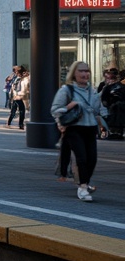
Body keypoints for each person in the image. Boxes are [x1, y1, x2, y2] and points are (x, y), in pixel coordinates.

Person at [53, 61, 109, 201]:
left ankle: (84, 183)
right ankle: (83, 187)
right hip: (74, 128)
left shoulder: (92, 90)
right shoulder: (67, 90)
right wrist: (69, 107)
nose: (85, 74)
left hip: (90, 128)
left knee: (92, 159)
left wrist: (104, 123)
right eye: (81, 71)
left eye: (87, 71)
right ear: (74, 73)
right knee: (82, 158)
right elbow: (55, 110)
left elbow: (97, 110)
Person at [99, 67, 125, 140]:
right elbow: (103, 98)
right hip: (111, 106)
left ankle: (117, 131)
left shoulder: (122, 86)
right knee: (116, 108)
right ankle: (114, 131)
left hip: (120, 106)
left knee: (118, 107)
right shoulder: (107, 87)